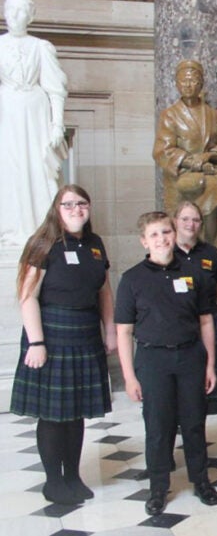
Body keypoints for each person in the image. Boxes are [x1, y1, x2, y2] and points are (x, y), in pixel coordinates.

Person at [10, 185, 114, 505]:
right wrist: (37, 343)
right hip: (52, 333)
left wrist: (109, 330)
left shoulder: (95, 244)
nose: (75, 209)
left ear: (89, 207)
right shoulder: (43, 244)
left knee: (77, 411)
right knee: (54, 414)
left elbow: (104, 292)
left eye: (81, 203)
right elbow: (28, 297)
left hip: (85, 332)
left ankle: (73, 475)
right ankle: (53, 480)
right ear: (57, 209)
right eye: (68, 204)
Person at [115, 212, 217, 516]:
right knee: (158, 425)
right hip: (152, 359)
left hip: (190, 357)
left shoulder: (194, 273)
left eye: (166, 232)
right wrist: (129, 377)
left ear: (175, 234)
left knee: (194, 422)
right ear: (144, 241)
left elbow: (205, 321)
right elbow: (124, 330)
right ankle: (158, 487)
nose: (161, 239)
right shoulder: (132, 279)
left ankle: (201, 481)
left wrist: (210, 365)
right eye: (154, 235)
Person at [153, 60, 217, 253]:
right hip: (184, 173)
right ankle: (207, 249)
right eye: (183, 81)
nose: (188, 85)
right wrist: (192, 162)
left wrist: (209, 157)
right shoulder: (170, 115)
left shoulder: (212, 114)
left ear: (201, 83)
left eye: (193, 80)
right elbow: (163, 150)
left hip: (210, 169)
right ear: (177, 84)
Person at [0, 0, 68, 246]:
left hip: (35, 112)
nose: (15, 17)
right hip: (7, 111)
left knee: (37, 166)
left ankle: (40, 227)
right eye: (11, 11)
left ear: (30, 16)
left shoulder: (40, 47)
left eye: (21, 12)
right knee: (9, 168)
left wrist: (57, 124)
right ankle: (11, 228)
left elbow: (55, 89)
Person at [173, 201, 217, 400]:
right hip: (178, 324)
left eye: (196, 220)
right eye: (185, 219)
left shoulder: (211, 253)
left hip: (207, 320)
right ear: (175, 221)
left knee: (206, 374)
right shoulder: (167, 252)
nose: (191, 224)